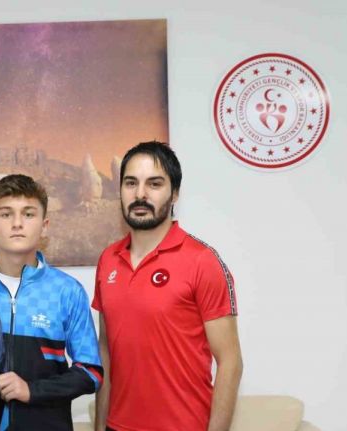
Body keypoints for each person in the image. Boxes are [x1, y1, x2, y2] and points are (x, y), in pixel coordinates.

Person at [93, 141, 243, 431]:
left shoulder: (202, 260)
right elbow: (106, 351)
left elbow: (231, 362)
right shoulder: (108, 259)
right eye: (130, 183)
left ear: (174, 193)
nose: (140, 194)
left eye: (154, 184)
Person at [0, 174, 103, 431]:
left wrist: (31, 390)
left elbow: (91, 373)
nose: (17, 223)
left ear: (45, 225)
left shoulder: (67, 291)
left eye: (28, 214)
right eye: (6, 214)